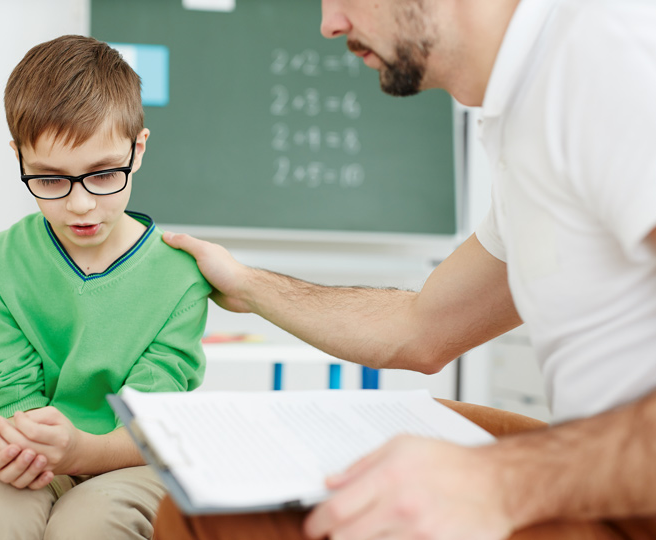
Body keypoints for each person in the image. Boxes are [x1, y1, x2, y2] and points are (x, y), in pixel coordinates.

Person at [155, 0, 656, 538]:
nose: (329, 24)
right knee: (206, 498)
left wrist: (502, 482)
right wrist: (249, 285)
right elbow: (422, 329)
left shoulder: (609, 49)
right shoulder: (525, 107)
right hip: (603, 469)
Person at [0, 35, 211, 540]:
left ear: (139, 148)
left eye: (104, 173)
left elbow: (157, 425)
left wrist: (82, 451)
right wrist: (11, 440)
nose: (81, 205)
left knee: (91, 523)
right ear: (18, 156)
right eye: (48, 179)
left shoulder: (179, 275)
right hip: (39, 459)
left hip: (134, 460)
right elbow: (15, 402)